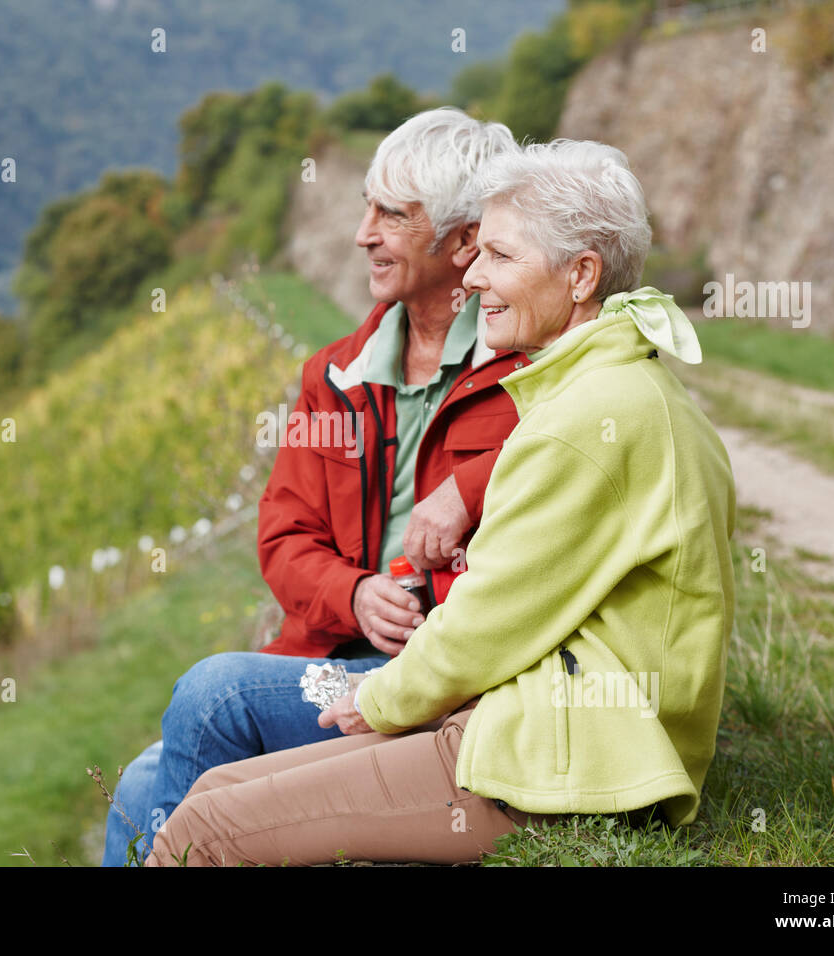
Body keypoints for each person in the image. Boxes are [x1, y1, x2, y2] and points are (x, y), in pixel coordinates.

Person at [144, 139, 738, 866]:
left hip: (563, 760)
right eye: (476, 251)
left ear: (581, 274)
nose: (475, 275)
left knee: (201, 835)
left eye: (500, 256)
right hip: (548, 727)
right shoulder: (612, 390)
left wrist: (378, 702)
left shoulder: (587, 419)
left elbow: (491, 619)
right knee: (211, 796)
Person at [101, 107, 529, 865]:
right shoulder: (335, 376)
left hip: (451, 679)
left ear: (465, 240)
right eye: (366, 206)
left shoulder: (529, 372)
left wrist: (471, 483)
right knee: (139, 784)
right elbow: (283, 536)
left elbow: (601, 429)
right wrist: (356, 593)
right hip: (340, 662)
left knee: (216, 694)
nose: (362, 233)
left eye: (391, 215)